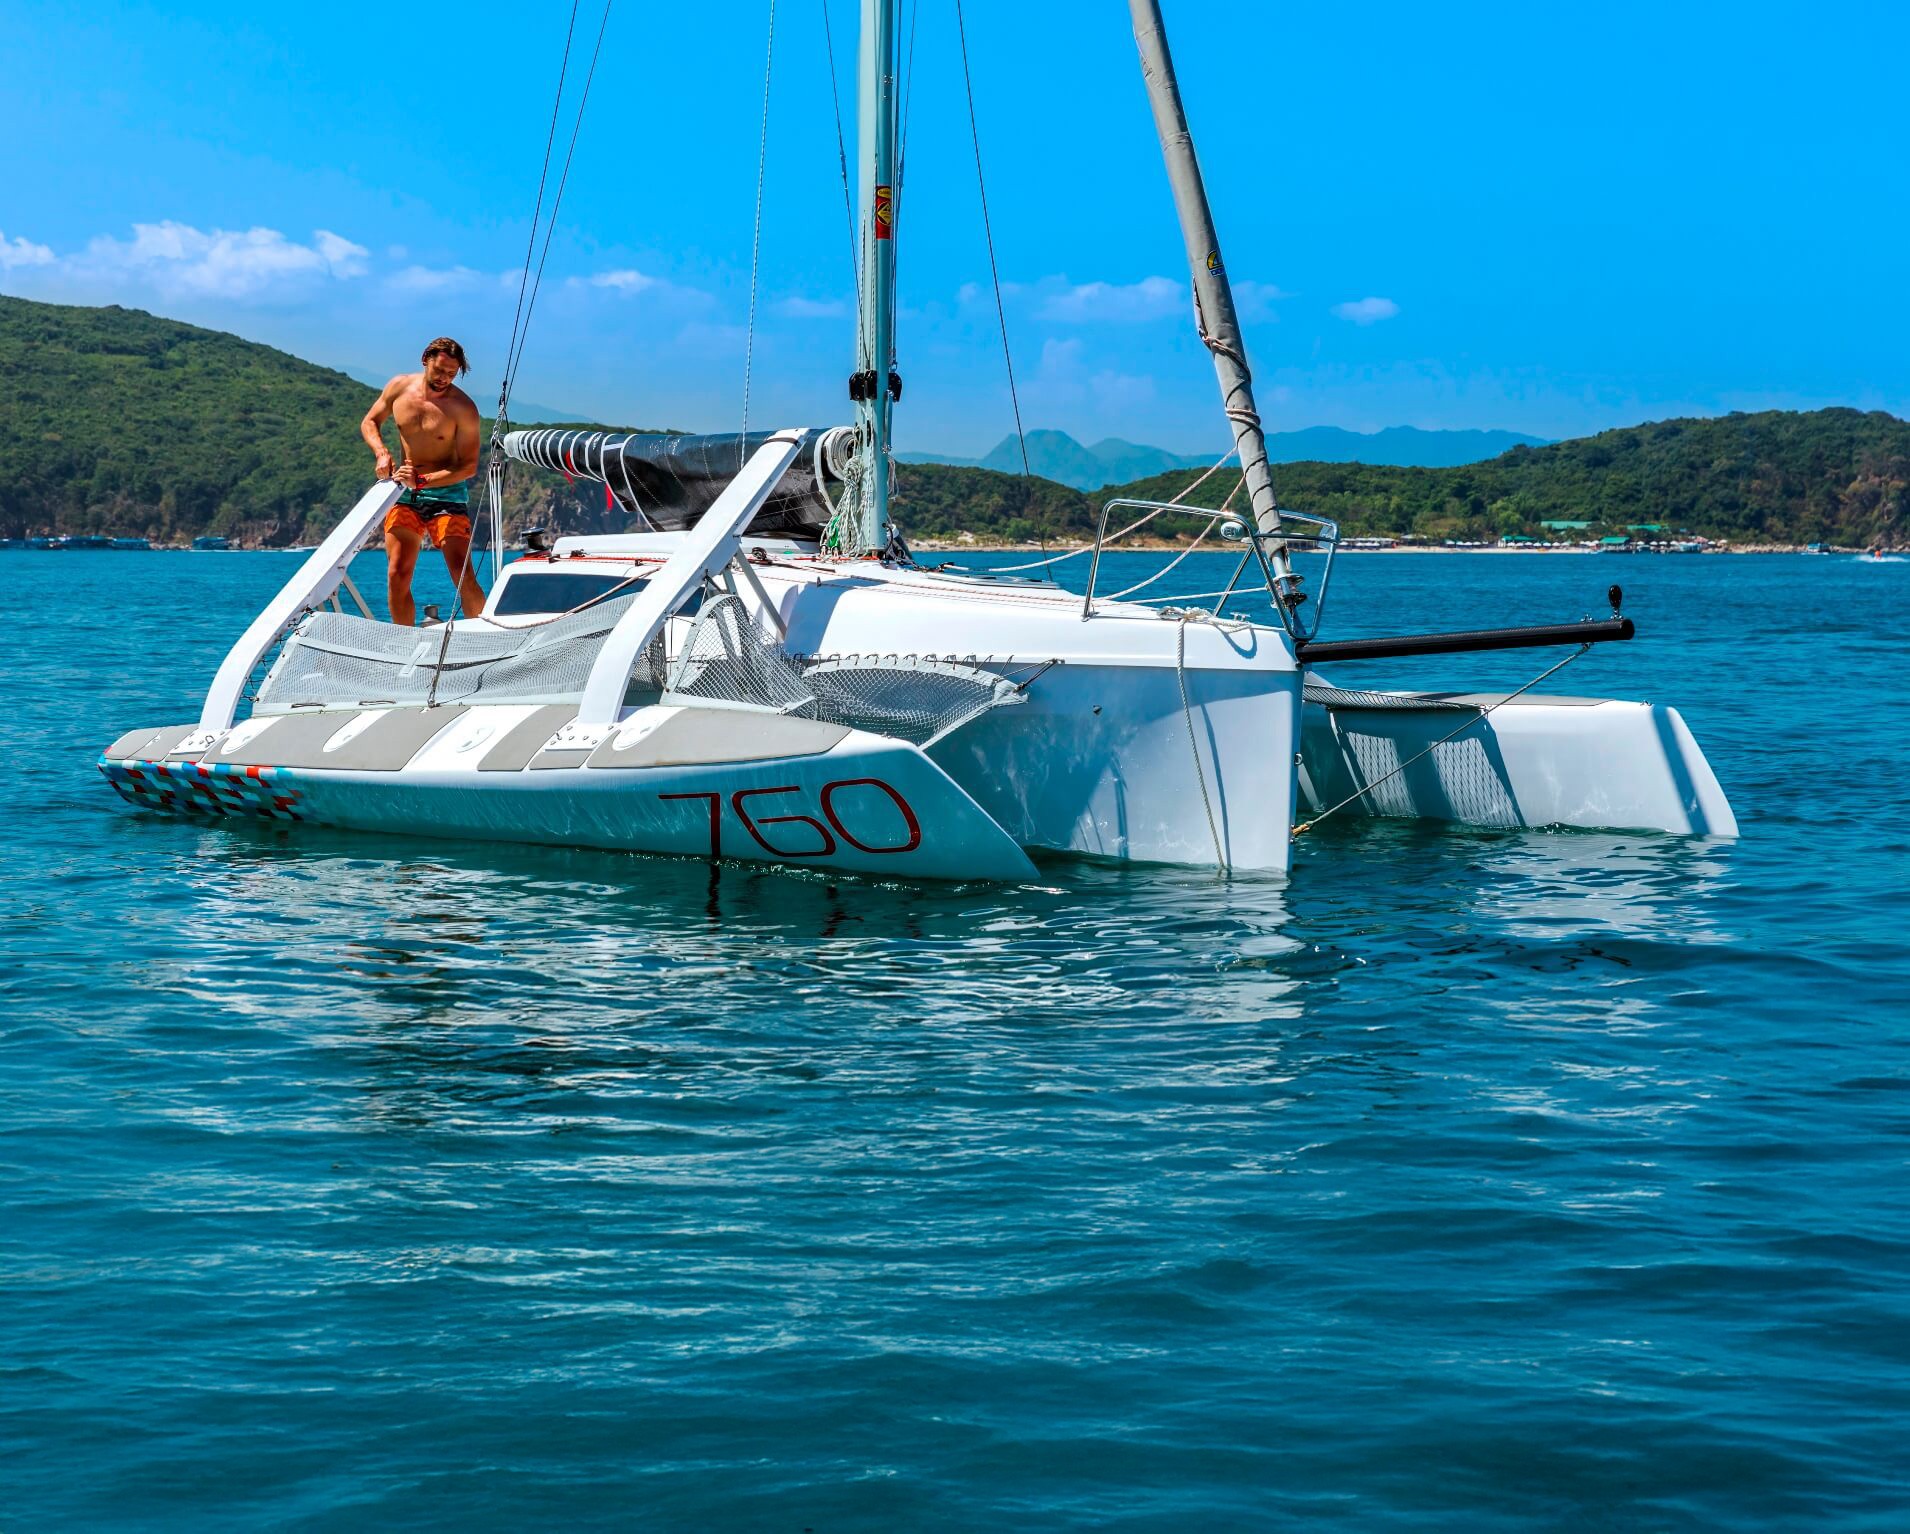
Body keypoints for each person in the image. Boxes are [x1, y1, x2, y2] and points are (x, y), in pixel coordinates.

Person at [360, 337, 485, 625]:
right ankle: (403, 644)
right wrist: (381, 453)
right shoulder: (399, 387)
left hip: (447, 495)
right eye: (439, 370)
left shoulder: (463, 408)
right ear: (425, 360)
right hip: (405, 494)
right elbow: (370, 421)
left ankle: (485, 639)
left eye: (452, 374)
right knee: (397, 573)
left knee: (461, 573)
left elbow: (467, 467)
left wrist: (424, 480)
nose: (444, 379)